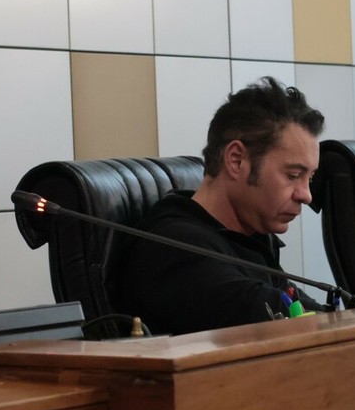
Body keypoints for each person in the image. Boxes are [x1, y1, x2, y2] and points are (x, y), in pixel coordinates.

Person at [126, 76, 327, 335]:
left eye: (310, 178)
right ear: (236, 160)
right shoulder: (173, 248)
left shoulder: (251, 238)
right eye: (292, 175)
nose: (306, 195)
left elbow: (305, 309)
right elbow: (275, 317)